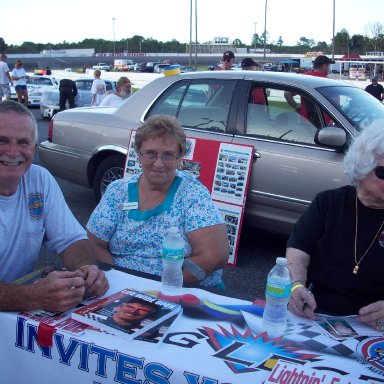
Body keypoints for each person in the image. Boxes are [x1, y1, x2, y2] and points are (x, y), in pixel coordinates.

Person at [86, 115, 229, 288]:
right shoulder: (118, 191)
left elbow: (215, 255)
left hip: (178, 289)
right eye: (151, 154)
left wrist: (158, 289)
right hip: (121, 287)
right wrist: (117, 282)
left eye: (168, 155)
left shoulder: (192, 193)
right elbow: (94, 244)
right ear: (139, 155)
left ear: (179, 157)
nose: (159, 163)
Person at [0, 100, 109, 312]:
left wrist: (86, 269)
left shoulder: (39, 180)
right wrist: (30, 296)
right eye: (2, 140)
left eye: (23, 143)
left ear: (34, 148)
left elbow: (70, 240)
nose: (13, 152)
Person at [286, 122, 384, 332]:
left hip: (376, 327)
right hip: (317, 315)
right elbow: (299, 252)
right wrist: (296, 286)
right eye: (383, 173)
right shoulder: (329, 203)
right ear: (362, 166)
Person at [284, 55, 335, 123]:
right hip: (324, 122)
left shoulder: (304, 79)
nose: (329, 68)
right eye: (328, 66)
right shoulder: (327, 82)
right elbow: (335, 105)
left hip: (306, 121)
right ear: (324, 66)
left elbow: (287, 94)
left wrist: (297, 107)